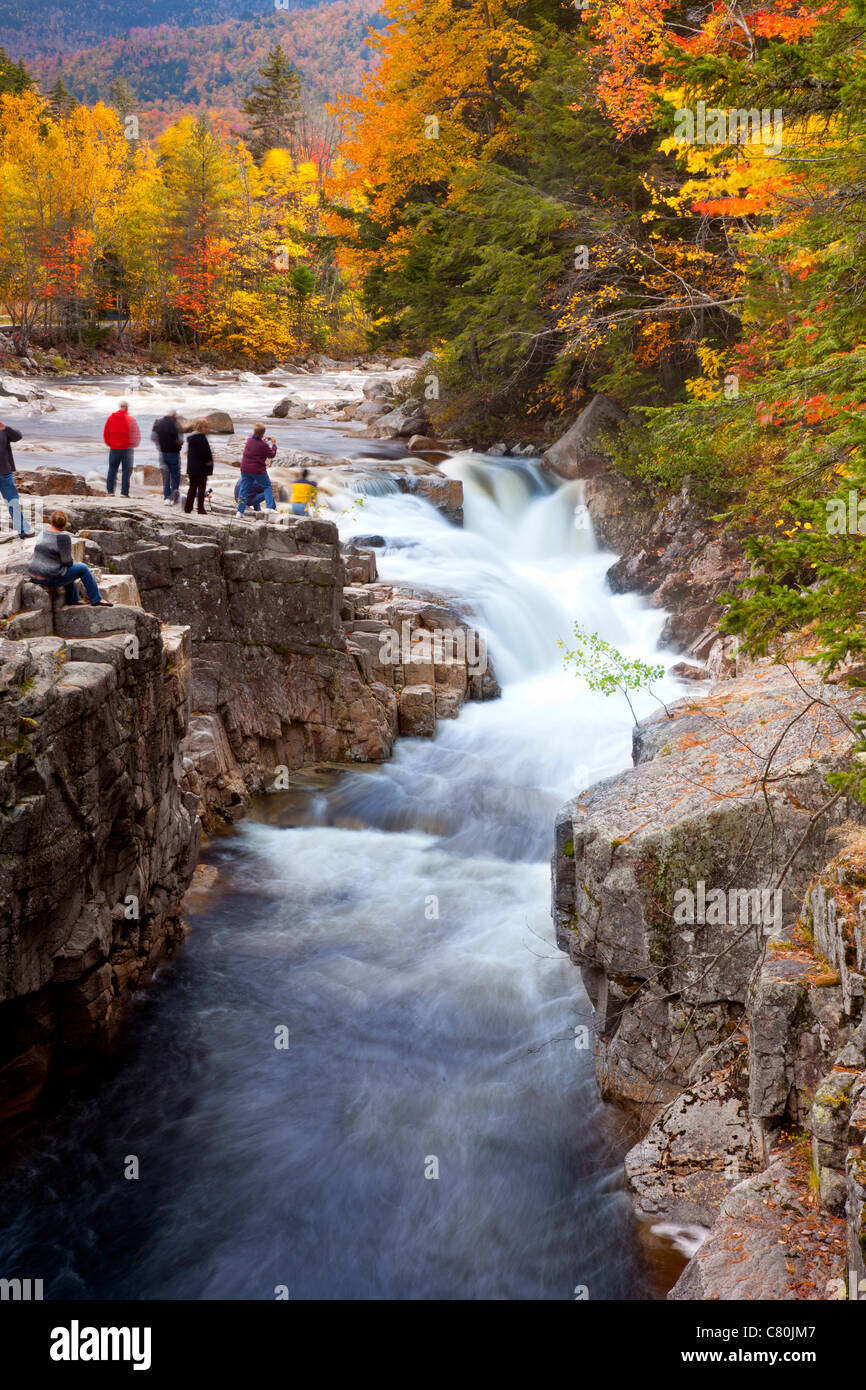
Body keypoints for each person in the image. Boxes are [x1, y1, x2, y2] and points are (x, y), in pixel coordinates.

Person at [28, 509, 112, 607]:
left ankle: (73, 599)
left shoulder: (43, 532)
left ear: (51, 522)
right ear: (64, 525)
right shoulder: (63, 537)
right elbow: (68, 561)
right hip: (47, 578)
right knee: (82, 568)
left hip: (33, 574)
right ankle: (96, 599)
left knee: (65, 569)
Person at [0, 418, 35, 539]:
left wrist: (6, 428)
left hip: (5, 473)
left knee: (13, 503)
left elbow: (18, 436)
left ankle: (23, 531)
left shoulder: (3, 431)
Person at [236, 423, 277, 516]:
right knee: (267, 486)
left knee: (244, 489)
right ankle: (269, 508)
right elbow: (272, 455)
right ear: (263, 433)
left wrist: (261, 440)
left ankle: (239, 511)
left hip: (245, 469)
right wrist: (274, 445)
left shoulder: (249, 440)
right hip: (257, 470)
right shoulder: (264, 445)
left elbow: (255, 445)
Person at [103, 400, 141, 497]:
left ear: (120, 407)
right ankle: (124, 493)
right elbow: (135, 433)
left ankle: (110, 491)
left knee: (112, 469)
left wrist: (109, 443)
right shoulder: (130, 419)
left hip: (114, 448)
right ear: (127, 407)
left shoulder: (111, 418)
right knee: (126, 471)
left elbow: (106, 432)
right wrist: (135, 444)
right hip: (127, 449)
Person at [151, 410, 184, 504]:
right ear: (174, 415)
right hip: (174, 454)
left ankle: (166, 497)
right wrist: (177, 444)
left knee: (165, 476)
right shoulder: (177, 425)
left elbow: (153, 437)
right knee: (175, 476)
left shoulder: (158, 423)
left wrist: (159, 446)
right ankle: (174, 498)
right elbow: (181, 440)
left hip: (162, 453)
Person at [184, 420, 213, 514]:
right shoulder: (202, 438)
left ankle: (188, 508)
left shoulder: (191, 438)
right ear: (201, 428)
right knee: (201, 489)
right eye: (206, 427)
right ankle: (200, 509)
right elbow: (206, 453)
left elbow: (190, 453)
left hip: (192, 467)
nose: (208, 429)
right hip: (201, 468)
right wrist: (209, 462)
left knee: (192, 488)